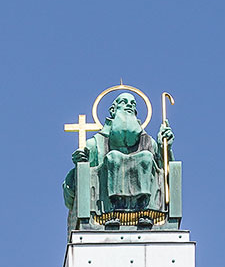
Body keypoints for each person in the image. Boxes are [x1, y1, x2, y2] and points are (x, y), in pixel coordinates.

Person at [64, 91, 174, 225]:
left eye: (133, 104)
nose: (129, 105)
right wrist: (79, 166)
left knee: (146, 156)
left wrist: (165, 148)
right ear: (112, 110)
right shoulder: (95, 144)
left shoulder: (149, 143)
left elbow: (166, 174)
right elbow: (71, 193)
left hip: (146, 216)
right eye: (124, 102)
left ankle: (144, 209)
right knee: (113, 157)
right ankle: (114, 209)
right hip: (106, 214)